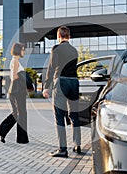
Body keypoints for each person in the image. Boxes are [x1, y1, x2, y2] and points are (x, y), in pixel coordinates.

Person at [42, 26, 81, 157]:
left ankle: (62, 149)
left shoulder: (56, 49)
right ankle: (77, 145)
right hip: (74, 82)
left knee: (59, 116)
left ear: (59, 36)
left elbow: (51, 67)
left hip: (61, 82)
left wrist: (46, 86)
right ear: (69, 37)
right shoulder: (74, 50)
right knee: (74, 114)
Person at [0, 43, 29, 144]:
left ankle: (2, 131)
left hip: (15, 91)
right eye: (23, 49)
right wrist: (23, 78)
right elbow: (13, 77)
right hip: (17, 91)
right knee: (21, 114)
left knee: (17, 113)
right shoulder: (15, 61)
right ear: (18, 50)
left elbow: (11, 77)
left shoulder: (14, 61)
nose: (24, 51)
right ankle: (21, 139)